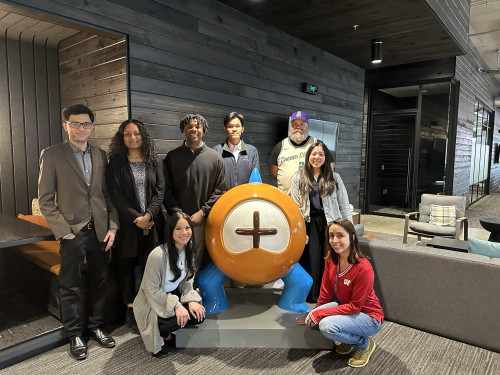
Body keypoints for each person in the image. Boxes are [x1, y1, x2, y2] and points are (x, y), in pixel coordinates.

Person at [38, 104, 119, 360]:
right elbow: (46, 200)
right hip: (72, 231)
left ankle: (96, 327)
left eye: (86, 124)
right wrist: (64, 232)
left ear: (91, 127)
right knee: (70, 285)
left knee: (99, 281)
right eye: (75, 123)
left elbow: (106, 195)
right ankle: (74, 333)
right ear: (66, 125)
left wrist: (113, 226)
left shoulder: (100, 154)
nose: (81, 128)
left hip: (101, 230)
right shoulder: (51, 155)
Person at [106, 119, 165, 332]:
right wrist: (136, 218)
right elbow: (115, 195)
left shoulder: (153, 160)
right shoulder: (116, 162)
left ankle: (150, 306)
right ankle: (130, 308)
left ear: (143, 135)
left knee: (151, 266)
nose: (133, 137)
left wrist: (149, 214)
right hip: (127, 225)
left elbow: (160, 190)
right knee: (127, 267)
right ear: (122, 138)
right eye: (128, 134)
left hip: (153, 223)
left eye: (137, 133)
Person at [306, 219, 383, 368]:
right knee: (312, 320)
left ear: (352, 237)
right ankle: (348, 340)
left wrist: (321, 314)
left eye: (340, 235)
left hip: (369, 316)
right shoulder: (331, 257)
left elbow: (355, 307)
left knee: (326, 326)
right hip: (347, 308)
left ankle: (364, 344)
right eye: (331, 235)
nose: (334, 241)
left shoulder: (363, 269)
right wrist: (317, 312)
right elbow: (326, 291)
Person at [134, 212, 205, 356]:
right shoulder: (158, 255)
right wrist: (177, 305)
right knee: (175, 321)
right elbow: (151, 290)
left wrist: (191, 300)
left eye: (187, 228)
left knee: (199, 314)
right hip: (151, 302)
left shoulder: (189, 251)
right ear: (170, 231)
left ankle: (166, 332)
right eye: (178, 228)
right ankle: (163, 334)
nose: (184, 232)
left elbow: (189, 279)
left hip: (171, 296)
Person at [290, 141, 352, 302]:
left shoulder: (334, 177)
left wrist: (349, 230)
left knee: (331, 260)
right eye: (314, 154)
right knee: (311, 260)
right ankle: (313, 295)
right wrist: (301, 231)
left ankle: (330, 295)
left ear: (326, 157)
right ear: (308, 156)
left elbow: (344, 204)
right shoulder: (298, 177)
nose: (317, 157)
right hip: (309, 224)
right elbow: (295, 208)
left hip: (331, 224)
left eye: (321, 154)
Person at [163, 114, 226, 270]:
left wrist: (203, 212)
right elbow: (164, 188)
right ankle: (176, 291)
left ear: (203, 130)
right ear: (183, 130)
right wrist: (178, 214)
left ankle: (193, 291)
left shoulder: (215, 158)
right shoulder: (172, 157)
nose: (194, 129)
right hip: (176, 220)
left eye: (197, 127)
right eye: (189, 126)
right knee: (175, 259)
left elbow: (220, 190)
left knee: (197, 261)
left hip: (201, 220)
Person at [269, 110, 317, 193]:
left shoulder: (316, 144)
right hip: (286, 197)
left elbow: (328, 168)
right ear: (290, 126)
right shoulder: (280, 146)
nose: (298, 127)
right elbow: (274, 173)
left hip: (310, 198)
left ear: (307, 126)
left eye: (302, 124)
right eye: (295, 124)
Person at [213, 111, 260, 190]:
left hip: (245, 199)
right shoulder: (216, 151)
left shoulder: (252, 151)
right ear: (225, 129)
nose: (234, 129)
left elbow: (255, 181)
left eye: (237, 126)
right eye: (230, 126)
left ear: (242, 129)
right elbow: (213, 180)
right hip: (225, 198)